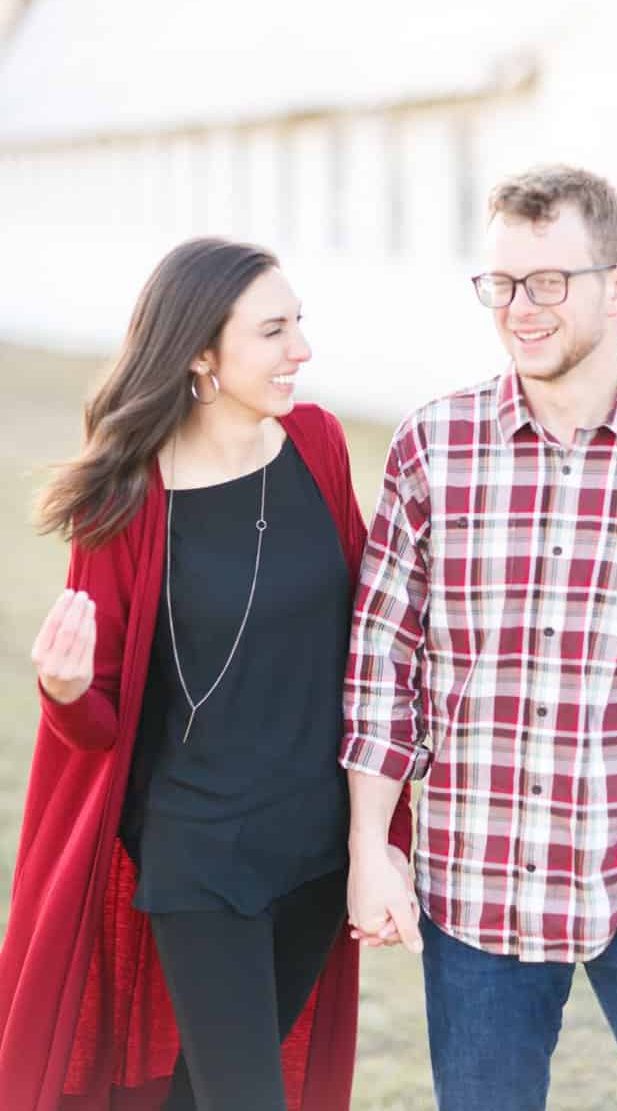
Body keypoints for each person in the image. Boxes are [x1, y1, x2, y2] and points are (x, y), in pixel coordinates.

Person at [339, 163, 617, 1111]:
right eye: (500, 283)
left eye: (548, 282)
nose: (520, 308)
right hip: (475, 880)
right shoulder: (434, 445)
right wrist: (370, 846)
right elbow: (384, 657)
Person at [0, 237, 413, 1111]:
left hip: (312, 847)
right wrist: (66, 693)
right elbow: (100, 722)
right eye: (273, 330)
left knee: (203, 1093)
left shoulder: (318, 443)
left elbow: (369, 620)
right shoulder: (123, 503)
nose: (301, 349)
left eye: (299, 323)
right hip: (202, 853)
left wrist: (375, 842)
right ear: (200, 353)